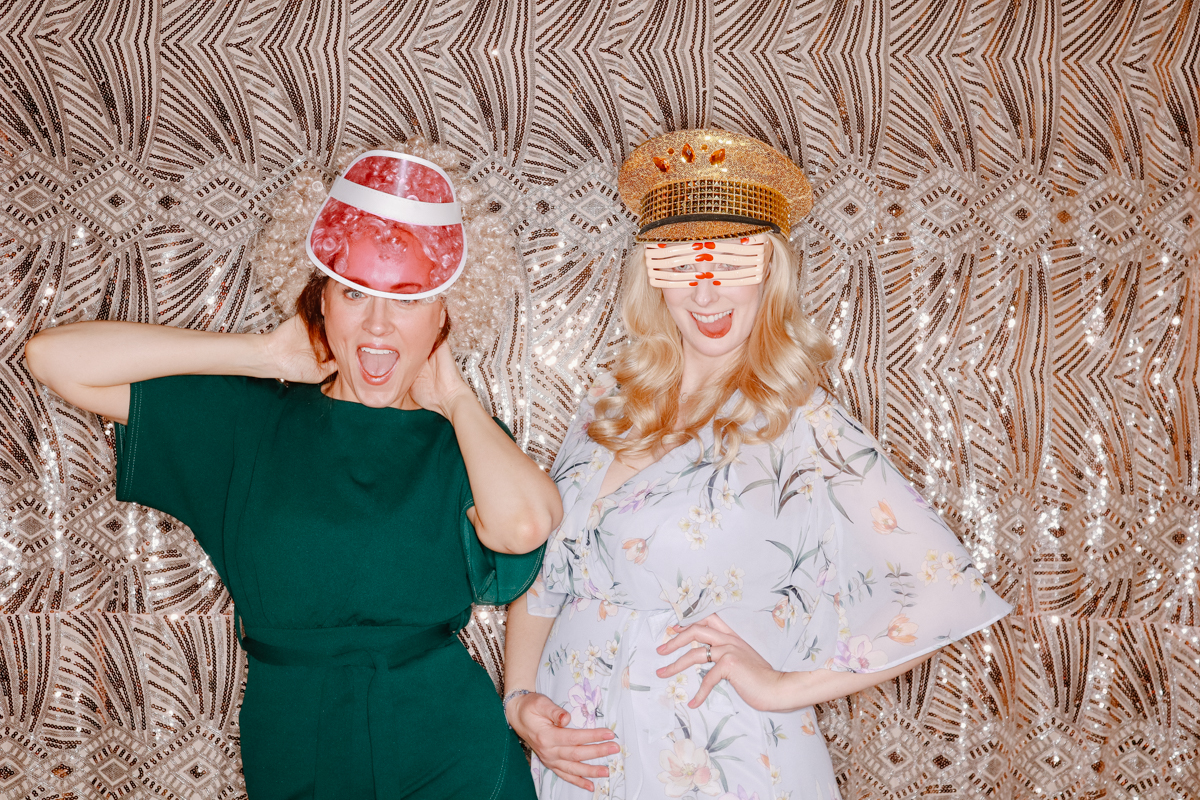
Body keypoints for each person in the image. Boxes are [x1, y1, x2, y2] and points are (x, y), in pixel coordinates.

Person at [25, 143, 562, 800]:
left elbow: (525, 525)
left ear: (444, 316)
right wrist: (258, 353)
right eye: (353, 294)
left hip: (453, 751)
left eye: (409, 300)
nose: (378, 326)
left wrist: (453, 397)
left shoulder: (463, 442)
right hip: (297, 743)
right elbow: (54, 359)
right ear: (321, 301)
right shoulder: (249, 425)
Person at [502, 129, 1013, 800]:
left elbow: (944, 588)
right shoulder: (609, 403)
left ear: (771, 270)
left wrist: (782, 687)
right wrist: (520, 702)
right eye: (681, 264)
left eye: (733, 263)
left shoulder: (800, 420)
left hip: (715, 757)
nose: (707, 293)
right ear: (653, 276)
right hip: (577, 753)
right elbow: (547, 577)